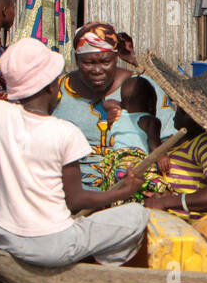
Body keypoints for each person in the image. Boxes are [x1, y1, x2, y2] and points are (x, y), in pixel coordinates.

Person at [0, 37, 148, 267]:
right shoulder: (66, 132)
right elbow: (76, 201)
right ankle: (97, 266)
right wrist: (124, 191)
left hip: (4, 238)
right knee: (137, 214)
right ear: (51, 87)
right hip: (53, 248)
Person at [52, 22, 150, 185]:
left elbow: (166, 139)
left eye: (105, 62)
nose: (97, 70)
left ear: (116, 58)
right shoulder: (57, 90)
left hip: (131, 184)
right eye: (89, 63)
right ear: (77, 60)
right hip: (73, 186)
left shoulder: (141, 87)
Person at [141, 107, 207, 222]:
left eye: (183, 111)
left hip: (188, 229)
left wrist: (165, 202)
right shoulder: (175, 142)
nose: (176, 115)